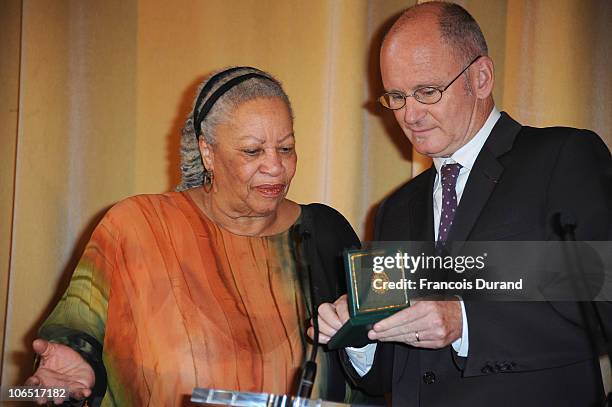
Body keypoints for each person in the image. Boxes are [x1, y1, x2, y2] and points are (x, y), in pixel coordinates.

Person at [312, 2, 612, 406]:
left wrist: (467, 322)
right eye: (396, 96)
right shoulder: (394, 210)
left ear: (481, 77)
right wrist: (353, 332)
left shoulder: (563, 156)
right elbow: (384, 372)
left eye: (427, 91)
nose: (410, 114)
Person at [25, 66, 360, 406]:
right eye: (252, 151)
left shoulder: (325, 233)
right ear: (207, 151)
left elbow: (375, 364)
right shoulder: (137, 227)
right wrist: (68, 377)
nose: (275, 166)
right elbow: (75, 340)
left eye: (286, 148)